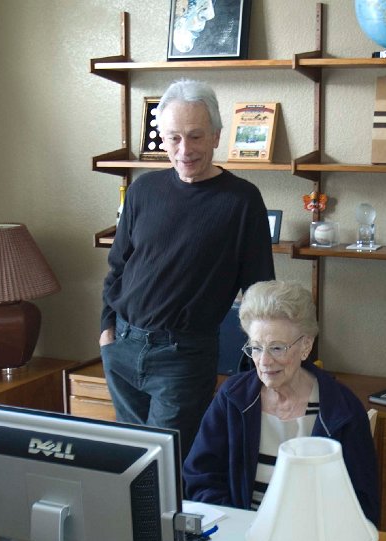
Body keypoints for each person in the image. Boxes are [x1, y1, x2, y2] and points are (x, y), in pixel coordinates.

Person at [99, 79, 275, 458]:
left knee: (166, 465)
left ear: (216, 136)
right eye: (173, 138)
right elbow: (118, 266)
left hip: (183, 357)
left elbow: (259, 289)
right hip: (123, 347)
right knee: (130, 460)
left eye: (195, 136)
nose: (184, 150)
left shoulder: (242, 200)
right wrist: (106, 331)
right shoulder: (143, 190)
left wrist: (261, 360)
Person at [183, 280, 380, 524]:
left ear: (306, 346)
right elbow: (201, 477)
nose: (264, 361)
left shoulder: (342, 410)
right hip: (242, 532)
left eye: (277, 348)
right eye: (256, 348)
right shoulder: (233, 398)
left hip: (313, 538)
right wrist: (238, 525)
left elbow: (363, 505)